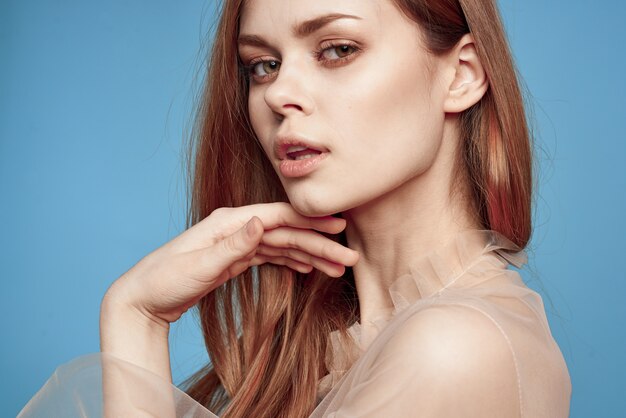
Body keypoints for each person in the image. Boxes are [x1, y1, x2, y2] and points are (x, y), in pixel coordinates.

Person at [18, 0, 572, 416]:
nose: (281, 93)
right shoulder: (339, 345)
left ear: (463, 74)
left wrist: (135, 319)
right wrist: (135, 311)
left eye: (337, 50)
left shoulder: (455, 347)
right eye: (262, 64)